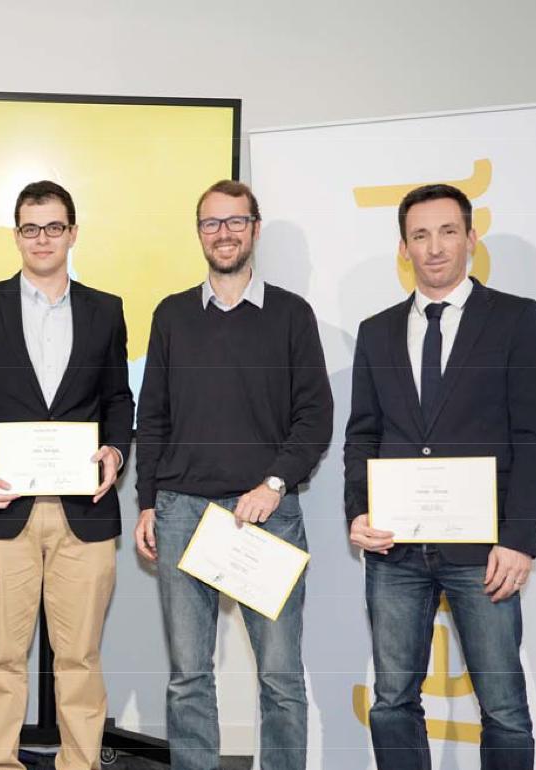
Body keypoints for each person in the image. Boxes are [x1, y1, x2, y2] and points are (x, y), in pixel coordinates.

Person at [344, 183, 536, 770]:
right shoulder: (377, 330)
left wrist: (519, 539)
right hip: (394, 548)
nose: (434, 247)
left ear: (471, 238)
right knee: (391, 703)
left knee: (504, 710)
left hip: (484, 551)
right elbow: (363, 433)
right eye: (420, 235)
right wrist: (357, 510)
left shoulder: (516, 319)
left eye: (447, 232)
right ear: (403, 248)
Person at [133, 179, 332, 770]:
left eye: (235, 221)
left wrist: (273, 485)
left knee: (280, 677)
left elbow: (315, 416)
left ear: (255, 228)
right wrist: (147, 502)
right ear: (199, 233)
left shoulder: (292, 315)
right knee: (187, 676)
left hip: (264, 514)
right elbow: (153, 416)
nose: (223, 233)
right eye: (211, 223)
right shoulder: (171, 315)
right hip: (182, 512)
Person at [0, 181, 132, 770]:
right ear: (17, 236)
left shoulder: (106, 309)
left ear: (72, 233)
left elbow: (118, 398)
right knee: (2, 657)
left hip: (86, 513)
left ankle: (80, 763)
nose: (43, 239)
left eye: (54, 227)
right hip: (3, 510)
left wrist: (115, 451)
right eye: (31, 228)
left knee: (80, 658)